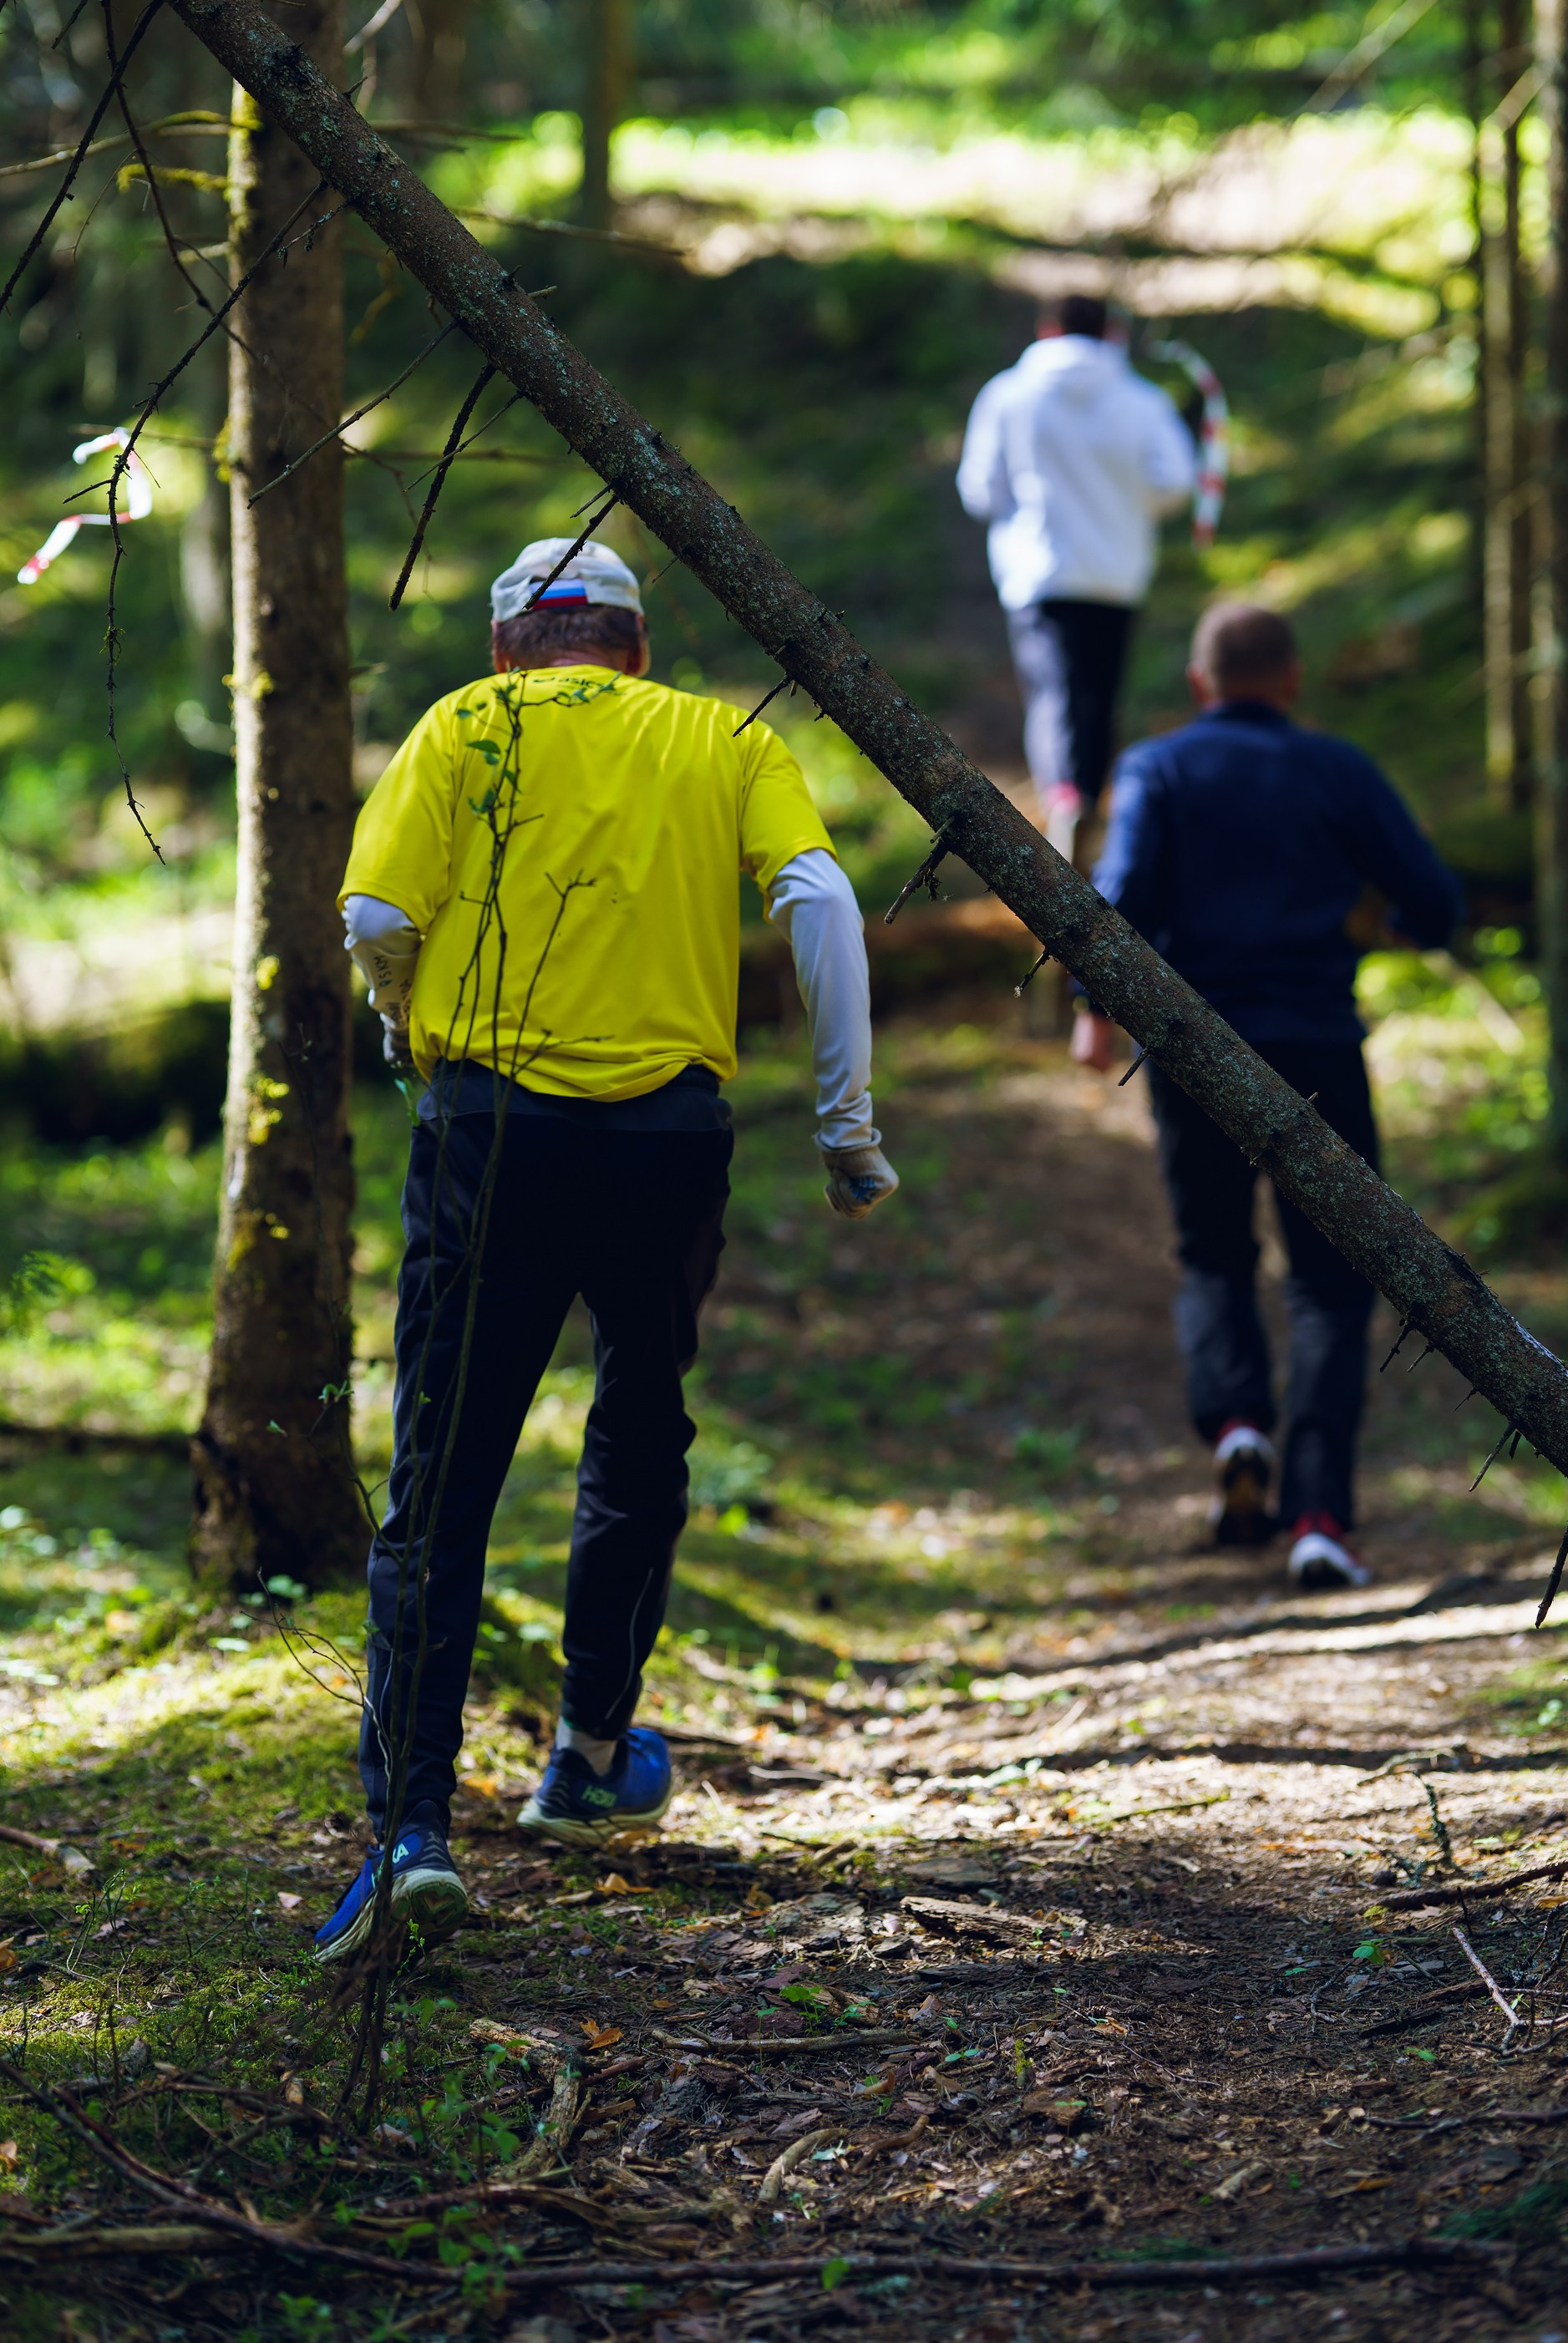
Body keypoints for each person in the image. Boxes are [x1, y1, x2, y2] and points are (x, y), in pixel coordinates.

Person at [313, 539, 899, 1960]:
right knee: (640, 1431)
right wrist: (845, 1124)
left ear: (513, 647)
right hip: (664, 1143)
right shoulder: (721, 738)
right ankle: (586, 1752)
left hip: (489, 1135)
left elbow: (377, 914)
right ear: (634, 647)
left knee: (441, 1482)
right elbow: (819, 903)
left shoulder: (463, 724)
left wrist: (398, 1012)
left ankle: (409, 1835)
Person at [1072, 600, 1460, 1590]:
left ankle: (1237, 1424)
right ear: (1290, 682)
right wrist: (1410, 928)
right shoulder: (1337, 768)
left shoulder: (1160, 768)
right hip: (1319, 1045)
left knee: (1213, 1254)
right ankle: (1320, 1516)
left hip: (1194, 1051)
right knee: (1330, 1285)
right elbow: (1435, 899)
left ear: (1201, 684)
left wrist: (1092, 1006)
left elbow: (1118, 901)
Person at [957, 292, 1196, 869]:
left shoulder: (1009, 395)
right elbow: (1176, 482)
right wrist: (1125, 504)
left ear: (1046, 330)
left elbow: (979, 489)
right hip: (1117, 572)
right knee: (1099, 693)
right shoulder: (1142, 401)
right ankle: (1088, 796)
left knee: (1052, 691)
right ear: (1111, 333)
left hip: (1037, 570)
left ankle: (1065, 798)